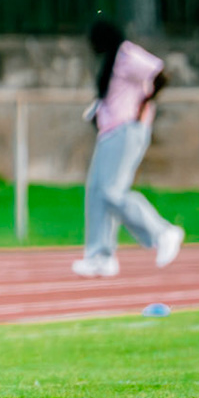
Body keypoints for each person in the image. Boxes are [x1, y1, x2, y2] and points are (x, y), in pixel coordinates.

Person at [75, 19, 184, 278]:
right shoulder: (111, 61)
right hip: (110, 132)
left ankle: (162, 232)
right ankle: (100, 256)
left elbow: (160, 73)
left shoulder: (126, 54)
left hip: (127, 130)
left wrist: (143, 103)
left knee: (113, 192)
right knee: (97, 192)